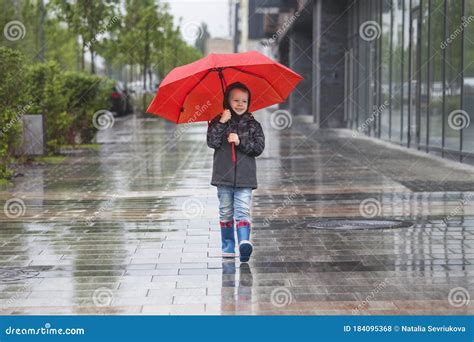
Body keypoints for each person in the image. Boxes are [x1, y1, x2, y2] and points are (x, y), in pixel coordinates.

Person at [207, 82, 265, 262]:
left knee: (242, 211)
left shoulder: (253, 125)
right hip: (223, 177)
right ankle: (228, 246)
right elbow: (212, 142)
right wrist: (222, 123)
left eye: (244, 101)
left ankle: (244, 242)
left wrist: (240, 142)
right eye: (236, 100)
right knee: (225, 212)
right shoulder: (219, 121)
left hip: (245, 178)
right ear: (227, 101)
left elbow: (258, 148)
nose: (240, 104)